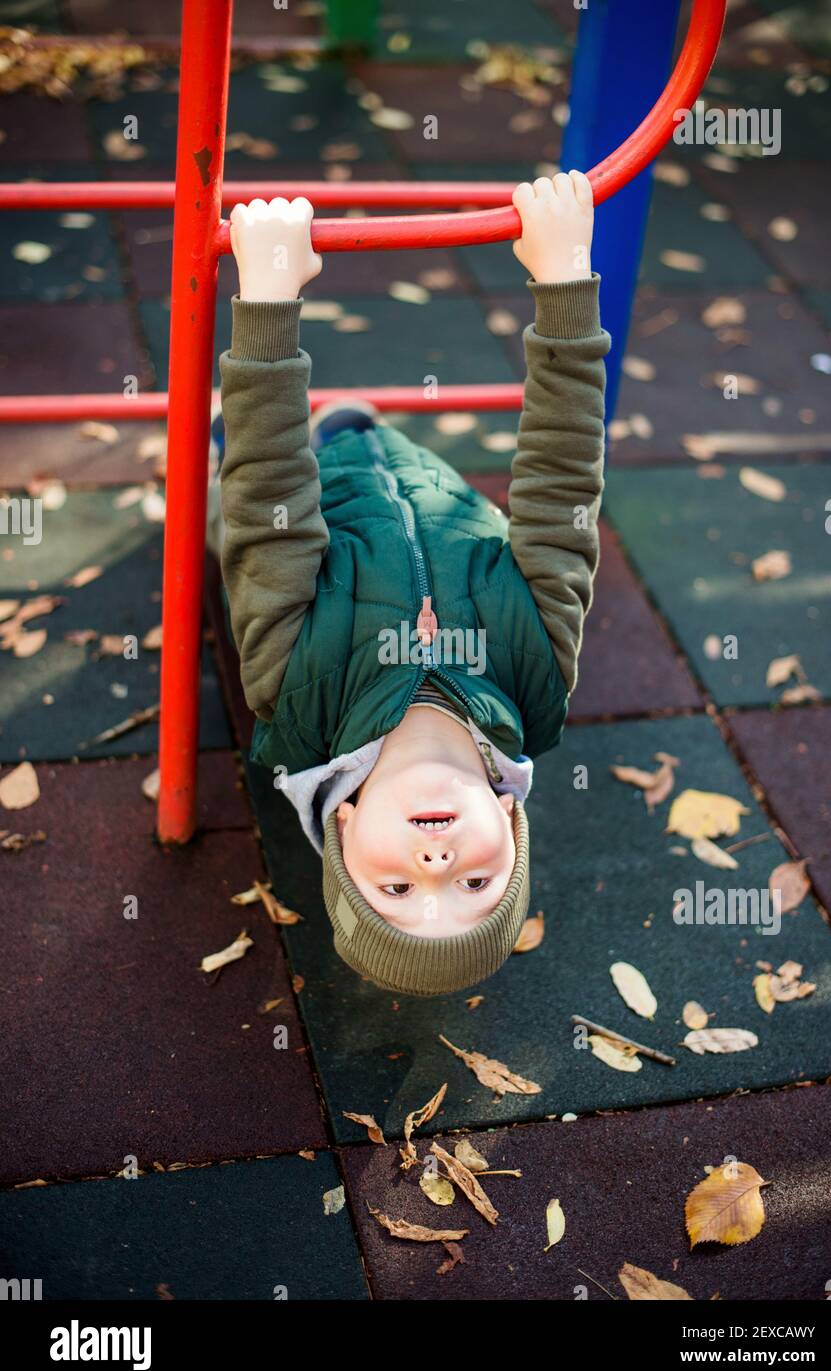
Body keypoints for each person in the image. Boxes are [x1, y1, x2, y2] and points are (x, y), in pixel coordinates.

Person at [209, 172, 610, 996]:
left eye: (397, 891)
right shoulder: (536, 677)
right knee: (361, 434)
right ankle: (351, 430)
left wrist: (268, 309)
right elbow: (561, 486)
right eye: (473, 887)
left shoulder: (294, 689)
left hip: (316, 486)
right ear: (508, 820)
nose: (436, 865)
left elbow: (269, 507)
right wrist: (564, 280)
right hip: (415, 474)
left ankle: (256, 431)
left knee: (244, 499)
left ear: (344, 830)